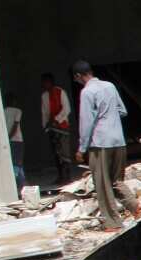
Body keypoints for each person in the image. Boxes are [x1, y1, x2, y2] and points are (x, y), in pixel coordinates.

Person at [72, 60, 133, 230]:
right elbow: (122, 111)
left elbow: (86, 122)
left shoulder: (87, 92)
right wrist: (110, 118)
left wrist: (81, 148)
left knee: (103, 185)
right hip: (118, 140)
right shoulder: (110, 86)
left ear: (78, 76)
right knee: (116, 181)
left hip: (100, 143)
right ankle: (135, 206)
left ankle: (112, 223)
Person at [40, 73, 73, 183]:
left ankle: (67, 176)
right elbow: (44, 112)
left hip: (62, 127)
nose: (45, 84)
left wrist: (56, 120)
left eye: (46, 81)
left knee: (65, 152)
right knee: (56, 153)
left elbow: (67, 109)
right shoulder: (44, 95)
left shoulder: (60, 92)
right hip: (51, 128)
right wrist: (45, 126)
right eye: (43, 82)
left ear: (51, 82)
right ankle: (60, 176)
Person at [4, 92, 25, 191]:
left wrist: (6, 138)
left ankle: (22, 183)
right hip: (17, 139)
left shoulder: (3, 111)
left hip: (7, 139)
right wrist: (10, 137)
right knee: (17, 162)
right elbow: (15, 126)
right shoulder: (18, 111)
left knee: (15, 162)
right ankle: (16, 182)